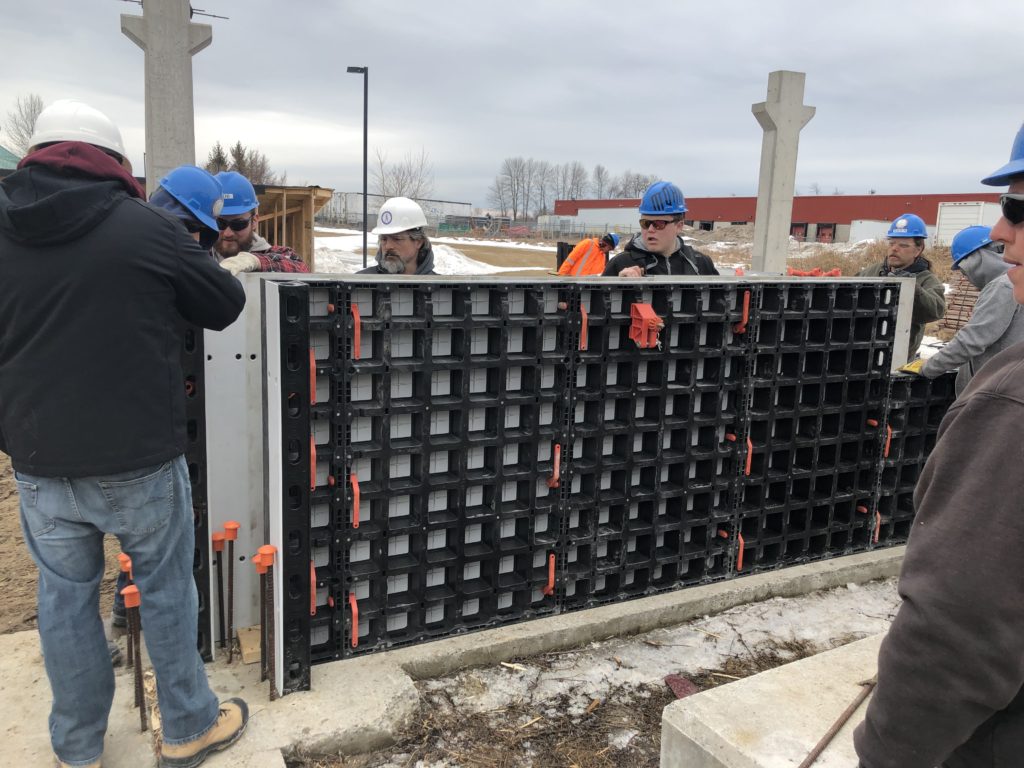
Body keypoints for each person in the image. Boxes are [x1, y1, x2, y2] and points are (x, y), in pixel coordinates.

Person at [0, 100, 249, 768]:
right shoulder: (145, 228)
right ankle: (189, 726)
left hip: (40, 457)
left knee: (64, 601)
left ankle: (77, 747)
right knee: (166, 591)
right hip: (139, 459)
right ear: (113, 163)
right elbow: (224, 303)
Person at [854, 122, 1024, 767]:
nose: (1000, 231)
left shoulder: (1011, 405)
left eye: (1018, 209)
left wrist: (887, 754)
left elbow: (960, 625)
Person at [901, 225, 1024, 395]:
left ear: (977, 260)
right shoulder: (1016, 284)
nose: (966, 277)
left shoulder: (1002, 287)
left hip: (999, 393)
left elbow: (972, 340)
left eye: (964, 270)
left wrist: (928, 367)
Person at [857, 214, 946, 358]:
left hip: (898, 356)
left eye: (903, 245)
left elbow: (936, 310)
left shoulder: (926, 279)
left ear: (918, 250)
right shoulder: (872, 271)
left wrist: (911, 288)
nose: (894, 249)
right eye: (891, 243)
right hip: (861, 351)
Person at [602, 181, 718, 277]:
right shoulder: (621, 264)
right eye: (645, 223)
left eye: (659, 224)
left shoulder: (701, 264)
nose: (650, 229)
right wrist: (618, 286)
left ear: (679, 226)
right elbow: (597, 298)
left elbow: (721, 298)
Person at [212, 170, 310, 274]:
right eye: (219, 223)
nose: (228, 233)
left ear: (254, 221)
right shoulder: (203, 255)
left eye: (238, 224)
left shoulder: (274, 254)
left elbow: (301, 269)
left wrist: (256, 261)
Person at [358, 196, 437, 275]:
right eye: (384, 239)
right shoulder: (362, 280)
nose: (388, 246)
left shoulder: (437, 282)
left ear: (418, 242)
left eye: (397, 239)